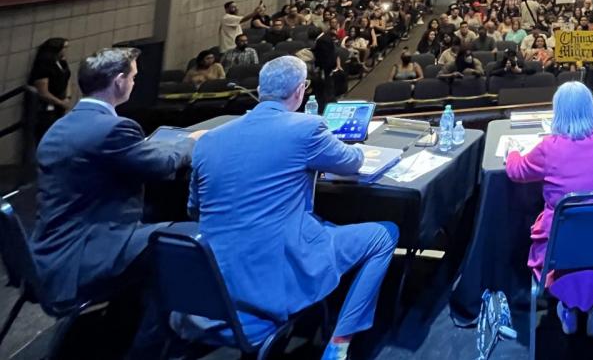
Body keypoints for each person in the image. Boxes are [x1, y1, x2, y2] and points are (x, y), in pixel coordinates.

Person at [188, 56, 398, 360]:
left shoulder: (208, 141)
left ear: (260, 90)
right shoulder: (307, 127)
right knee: (385, 234)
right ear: (300, 91)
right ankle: (339, 346)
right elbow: (352, 162)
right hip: (274, 271)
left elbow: (194, 210)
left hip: (211, 280)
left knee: (319, 224)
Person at [31, 48, 201, 357]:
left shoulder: (62, 126)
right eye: (133, 77)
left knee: (154, 226)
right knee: (189, 243)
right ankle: (150, 349)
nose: (135, 82)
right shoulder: (114, 129)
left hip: (50, 249)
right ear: (119, 81)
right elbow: (161, 165)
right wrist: (190, 143)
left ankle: (124, 324)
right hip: (85, 251)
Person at [505, 82, 593, 336]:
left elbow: (516, 170)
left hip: (560, 251)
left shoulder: (548, 148)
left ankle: (568, 310)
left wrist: (512, 149)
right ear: (592, 109)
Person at [28, 38, 72, 138]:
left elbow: (67, 78)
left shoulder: (61, 62)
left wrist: (67, 97)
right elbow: (43, 92)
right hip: (47, 109)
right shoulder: (44, 66)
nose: (65, 50)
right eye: (64, 48)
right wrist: (61, 103)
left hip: (60, 104)